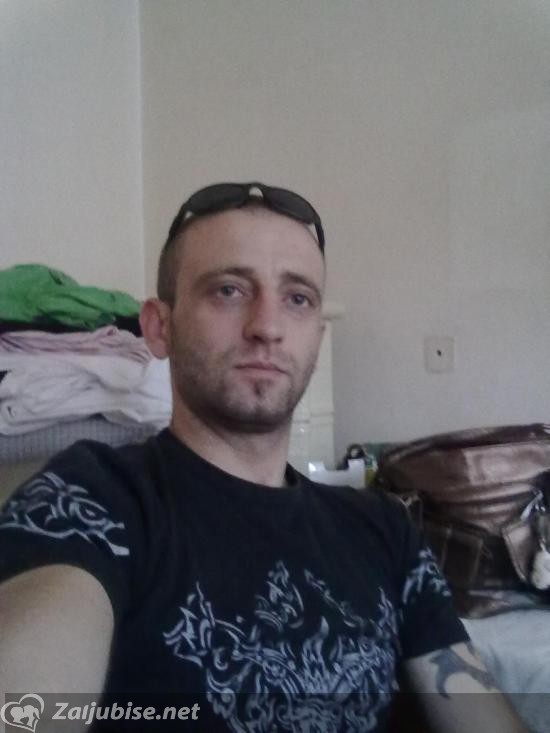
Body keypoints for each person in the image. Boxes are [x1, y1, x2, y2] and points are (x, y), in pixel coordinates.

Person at [0, 182, 526, 733]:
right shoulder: (93, 497)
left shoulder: (384, 528)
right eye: (229, 290)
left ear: (317, 336)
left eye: (297, 298)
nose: (267, 327)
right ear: (160, 327)